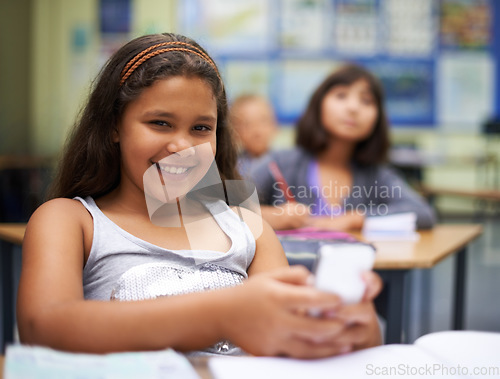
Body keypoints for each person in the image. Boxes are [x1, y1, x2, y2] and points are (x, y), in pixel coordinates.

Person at [17, 33, 382, 358]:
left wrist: (352, 323)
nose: (181, 146)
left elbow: (288, 342)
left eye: (201, 128)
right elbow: (43, 329)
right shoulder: (69, 220)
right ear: (114, 125)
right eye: (160, 123)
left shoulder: (247, 227)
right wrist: (224, 311)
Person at [249, 64, 436, 231]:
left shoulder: (376, 175)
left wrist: (355, 219)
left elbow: (423, 214)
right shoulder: (281, 163)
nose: (353, 108)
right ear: (319, 104)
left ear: (378, 118)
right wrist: (272, 216)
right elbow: (223, 207)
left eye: (366, 101)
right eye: (341, 96)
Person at [228, 94, 277, 177]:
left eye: (263, 121)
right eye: (247, 124)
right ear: (235, 132)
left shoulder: (286, 165)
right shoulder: (232, 168)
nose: (257, 131)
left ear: (274, 125)